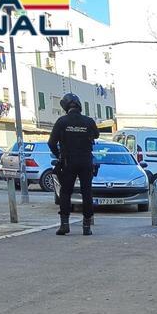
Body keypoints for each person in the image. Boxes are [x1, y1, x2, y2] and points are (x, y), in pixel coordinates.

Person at [48, 92, 98, 236]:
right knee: (87, 192)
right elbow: (96, 135)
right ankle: (87, 227)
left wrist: (59, 156)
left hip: (68, 161)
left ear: (65, 106)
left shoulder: (62, 122)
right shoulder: (88, 121)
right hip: (85, 161)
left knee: (65, 192)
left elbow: (51, 143)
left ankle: (64, 225)